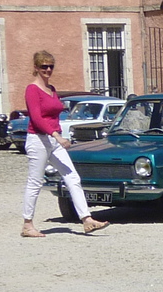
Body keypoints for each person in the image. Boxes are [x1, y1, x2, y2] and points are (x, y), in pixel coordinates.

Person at [19, 50, 105, 238]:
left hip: (53, 139)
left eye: (50, 66)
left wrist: (57, 136)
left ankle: (86, 219)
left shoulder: (52, 89)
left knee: (72, 177)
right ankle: (27, 224)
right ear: (36, 68)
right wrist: (57, 136)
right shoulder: (32, 90)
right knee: (35, 182)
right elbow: (35, 117)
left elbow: (54, 113)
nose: (48, 70)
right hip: (38, 139)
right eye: (43, 66)